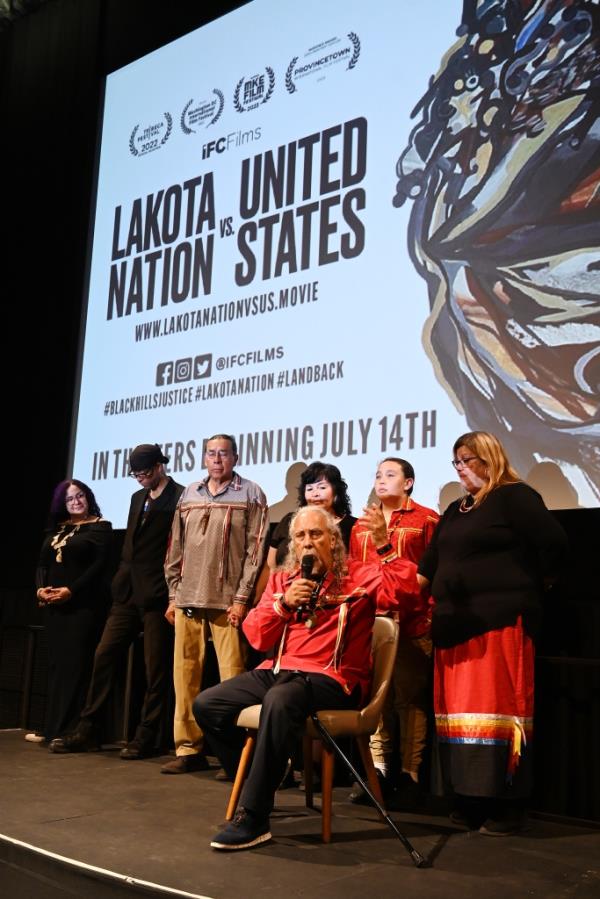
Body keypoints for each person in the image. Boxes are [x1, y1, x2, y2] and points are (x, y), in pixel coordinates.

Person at [193, 505, 421, 851]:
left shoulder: (358, 576)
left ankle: (254, 816)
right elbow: (256, 637)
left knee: (279, 700)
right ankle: (269, 768)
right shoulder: (283, 580)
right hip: (280, 671)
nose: (308, 542)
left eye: (316, 534)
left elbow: (405, 593)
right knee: (208, 704)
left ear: (333, 539)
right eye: (300, 536)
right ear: (293, 545)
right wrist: (282, 604)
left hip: (334, 679)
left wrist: (383, 544)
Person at [417, 431, 569, 835]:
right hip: (453, 628)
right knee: (461, 719)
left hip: (497, 624)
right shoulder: (454, 509)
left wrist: (530, 587)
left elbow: (555, 543)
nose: (461, 468)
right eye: (456, 462)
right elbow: (429, 564)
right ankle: (469, 799)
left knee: (498, 715)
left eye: (468, 460)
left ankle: (507, 804)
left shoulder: (514, 497)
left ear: (490, 458)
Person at [50, 444, 184, 758]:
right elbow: (131, 546)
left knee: (156, 670)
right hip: (125, 593)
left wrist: (173, 595)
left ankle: (146, 736)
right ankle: (88, 729)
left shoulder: (179, 497)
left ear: (159, 466)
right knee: (104, 655)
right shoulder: (137, 498)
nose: (140, 478)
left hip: (157, 593)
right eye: (135, 473)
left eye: (145, 472)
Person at [162, 434, 269, 774]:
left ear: (235, 457)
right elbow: (174, 546)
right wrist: (173, 594)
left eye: (224, 453)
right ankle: (188, 750)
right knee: (185, 675)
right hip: (187, 598)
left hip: (227, 603)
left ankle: (233, 754)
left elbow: (256, 552)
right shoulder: (189, 493)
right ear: (204, 458)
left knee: (233, 680)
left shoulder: (251, 493)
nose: (217, 459)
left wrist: (242, 598)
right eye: (211, 453)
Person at [349, 458, 439, 806]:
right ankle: (379, 773)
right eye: (377, 475)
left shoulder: (426, 520)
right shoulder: (360, 527)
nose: (381, 481)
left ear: (409, 483)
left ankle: (411, 774)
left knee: (411, 699)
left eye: (390, 475)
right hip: (372, 623)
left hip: (413, 622)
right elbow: (356, 572)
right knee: (378, 700)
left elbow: (433, 571)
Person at [35, 480, 112, 744]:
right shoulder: (58, 529)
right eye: (70, 499)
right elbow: (42, 565)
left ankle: (71, 730)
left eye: (80, 496)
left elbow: (99, 568)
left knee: (76, 667)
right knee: (56, 666)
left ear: (88, 497)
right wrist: (40, 590)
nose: (76, 501)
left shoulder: (101, 528)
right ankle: (51, 728)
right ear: (63, 505)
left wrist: (72, 590)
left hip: (82, 607)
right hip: (54, 608)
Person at [268, 462, 356, 567]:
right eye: (309, 489)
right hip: (283, 583)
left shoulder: (354, 526)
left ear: (336, 492)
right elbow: (269, 567)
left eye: (322, 488)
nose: (315, 494)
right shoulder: (289, 520)